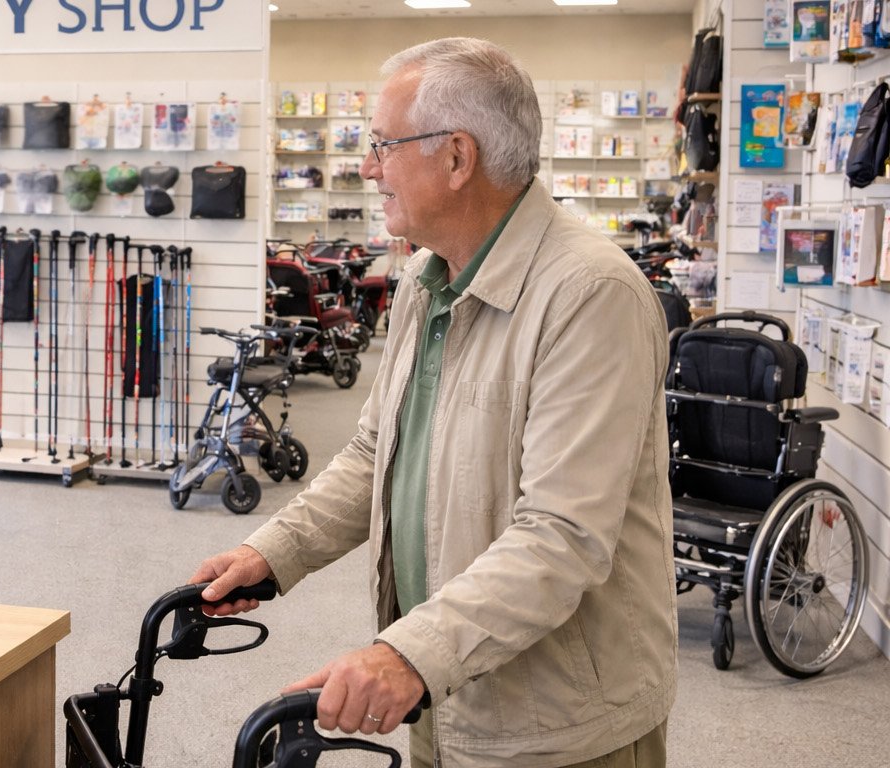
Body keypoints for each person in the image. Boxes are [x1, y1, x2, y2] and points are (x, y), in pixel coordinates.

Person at [192, 38, 676, 768]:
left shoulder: (589, 295)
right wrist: (271, 552)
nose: (367, 167)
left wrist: (406, 653)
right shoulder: (425, 278)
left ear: (456, 158)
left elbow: (563, 534)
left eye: (383, 144)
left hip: (561, 725)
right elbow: (373, 454)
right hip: (445, 685)